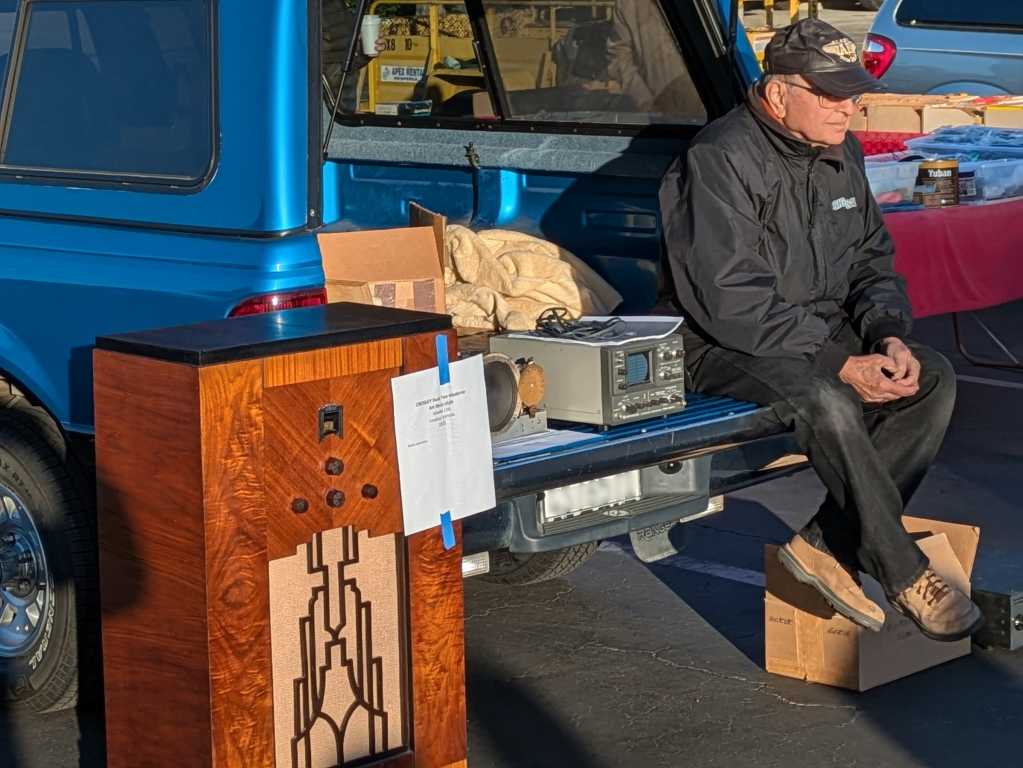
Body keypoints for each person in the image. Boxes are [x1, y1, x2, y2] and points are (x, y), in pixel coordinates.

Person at [658, 18, 983, 642]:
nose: (847, 109)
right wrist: (839, 362)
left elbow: (871, 260)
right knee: (826, 398)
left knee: (931, 377)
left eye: (853, 95)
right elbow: (730, 301)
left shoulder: (841, 151)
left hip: (812, 329)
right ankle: (903, 571)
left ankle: (825, 545)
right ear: (778, 94)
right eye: (831, 95)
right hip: (720, 341)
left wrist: (887, 334)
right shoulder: (719, 157)